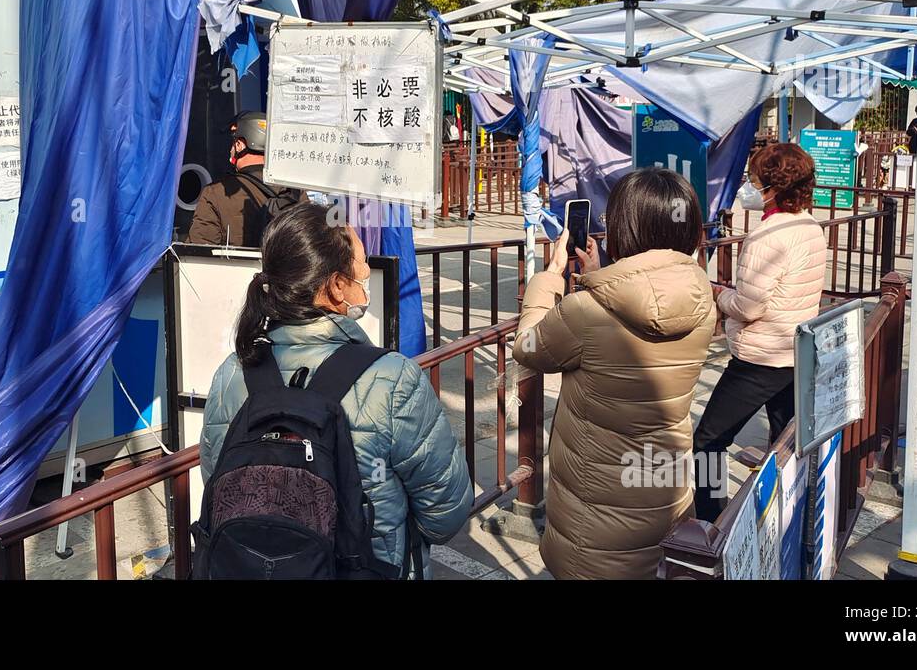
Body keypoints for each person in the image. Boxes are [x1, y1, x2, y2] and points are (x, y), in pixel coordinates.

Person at [200, 203, 473, 577]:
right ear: (336, 285)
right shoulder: (392, 378)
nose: (366, 273)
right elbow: (446, 512)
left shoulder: (233, 373)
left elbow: (217, 478)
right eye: (360, 264)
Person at [513, 168, 717, 579]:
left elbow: (529, 347)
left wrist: (549, 279)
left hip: (596, 515)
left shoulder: (586, 310)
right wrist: (602, 272)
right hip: (663, 487)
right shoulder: (702, 299)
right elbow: (648, 295)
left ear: (625, 227)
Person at [693, 143, 827, 523]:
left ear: (772, 187)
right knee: (785, 439)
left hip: (761, 357)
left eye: (754, 181)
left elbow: (749, 306)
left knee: (707, 439)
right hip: (794, 349)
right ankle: (791, 511)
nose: (748, 188)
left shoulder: (768, 237)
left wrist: (718, 294)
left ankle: (708, 520)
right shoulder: (809, 226)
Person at [185, 111, 304, 246]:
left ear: (240, 145)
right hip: (285, 267)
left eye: (233, 143)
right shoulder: (296, 191)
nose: (231, 149)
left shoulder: (215, 193)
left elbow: (200, 251)